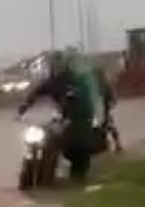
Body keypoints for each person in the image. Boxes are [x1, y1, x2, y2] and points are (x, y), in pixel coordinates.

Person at [17, 52, 104, 183]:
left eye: (58, 64)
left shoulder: (75, 80)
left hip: (75, 118)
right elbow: (36, 93)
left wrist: (71, 106)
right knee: (45, 138)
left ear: (64, 65)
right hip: (57, 119)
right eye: (54, 65)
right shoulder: (51, 82)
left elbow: (81, 98)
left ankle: (75, 174)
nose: (56, 67)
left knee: (77, 147)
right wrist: (24, 107)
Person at [95, 67, 123, 152]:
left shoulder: (105, 85)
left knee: (109, 125)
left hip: (103, 110)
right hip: (97, 110)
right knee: (102, 127)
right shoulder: (95, 86)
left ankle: (117, 143)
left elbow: (112, 96)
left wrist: (112, 103)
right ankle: (106, 144)